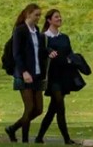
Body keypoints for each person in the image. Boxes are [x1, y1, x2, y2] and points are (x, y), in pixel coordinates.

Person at [34, 8, 80, 145]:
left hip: (64, 76)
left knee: (53, 108)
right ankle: (67, 139)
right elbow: (39, 53)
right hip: (52, 77)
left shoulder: (64, 37)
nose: (59, 19)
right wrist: (48, 52)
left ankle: (39, 137)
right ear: (49, 20)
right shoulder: (44, 37)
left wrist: (72, 60)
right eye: (56, 17)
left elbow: (69, 52)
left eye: (60, 17)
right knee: (60, 106)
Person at [5, 2, 45, 142]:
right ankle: (25, 140)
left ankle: (13, 128)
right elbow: (17, 53)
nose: (38, 18)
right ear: (28, 14)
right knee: (29, 108)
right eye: (36, 15)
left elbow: (37, 52)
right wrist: (24, 72)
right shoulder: (20, 30)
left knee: (38, 109)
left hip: (37, 74)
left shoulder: (37, 31)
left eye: (40, 15)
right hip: (24, 74)